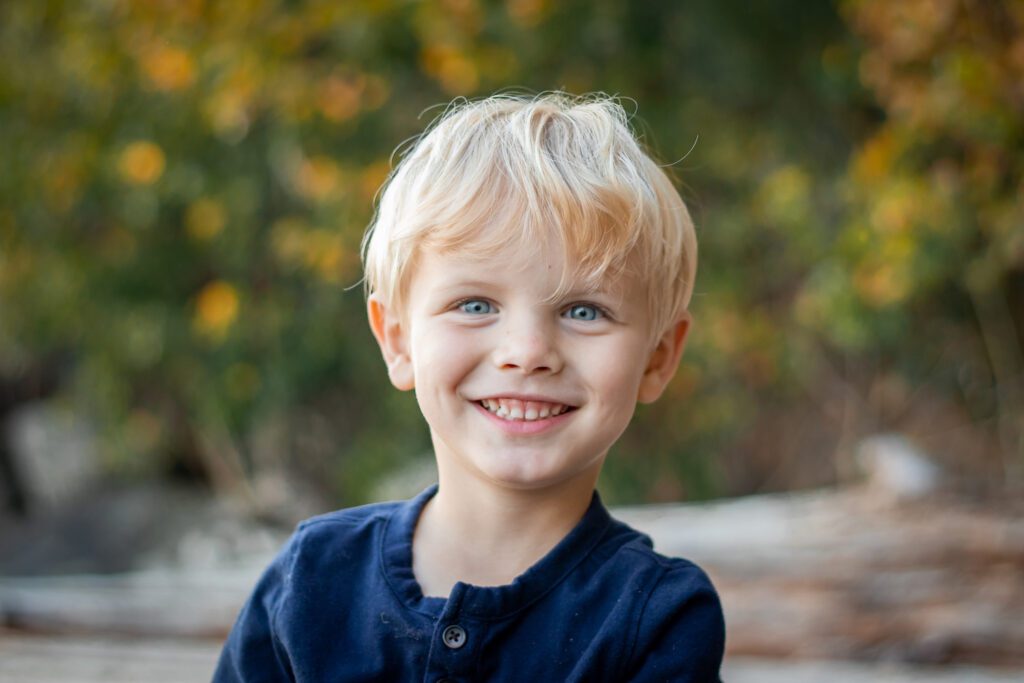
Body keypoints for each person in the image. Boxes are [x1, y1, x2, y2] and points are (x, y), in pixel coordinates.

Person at [213, 92, 725, 682]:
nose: (528, 353)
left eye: (585, 311)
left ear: (658, 358)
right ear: (398, 341)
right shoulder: (310, 581)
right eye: (475, 304)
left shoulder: (658, 618)